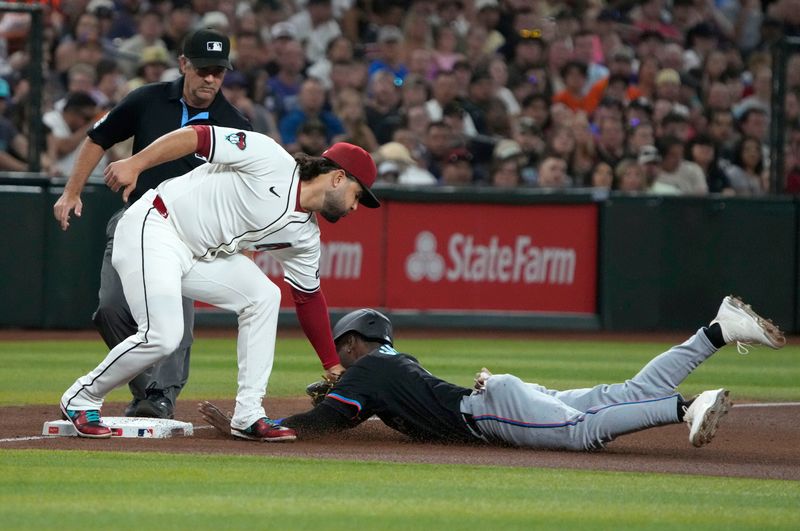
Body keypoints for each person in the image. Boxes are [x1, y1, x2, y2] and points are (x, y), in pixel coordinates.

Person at [59, 125, 381, 441]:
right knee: (163, 335)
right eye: (357, 195)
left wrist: (332, 365)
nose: (356, 206)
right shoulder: (270, 158)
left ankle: (248, 414)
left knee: (264, 295)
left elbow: (308, 299)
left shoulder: (306, 236)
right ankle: (82, 397)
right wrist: (136, 163)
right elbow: (196, 136)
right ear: (338, 178)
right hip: (156, 226)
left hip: (198, 255)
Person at [201, 297, 785, 450]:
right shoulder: (384, 368)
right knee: (624, 393)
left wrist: (253, 425)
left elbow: (325, 423)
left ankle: (684, 407)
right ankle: (717, 330)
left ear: (353, 342)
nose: (335, 355)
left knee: (582, 431)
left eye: (339, 345)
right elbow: (357, 403)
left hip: (490, 412)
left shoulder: (367, 372)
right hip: (505, 397)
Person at [52, 28, 253, 420]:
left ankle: (160, 395)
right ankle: (147, 388)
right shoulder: (147, 99)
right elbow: (98, 137)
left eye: (218, 70)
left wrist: (237, 238)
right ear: (183, 65)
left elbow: (242, 188)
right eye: (203, 69)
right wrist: (71, 191)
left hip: (190, 236)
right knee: (110, 310)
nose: (210, 78)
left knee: (172, 322)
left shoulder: (234, 123)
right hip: (135, 221)